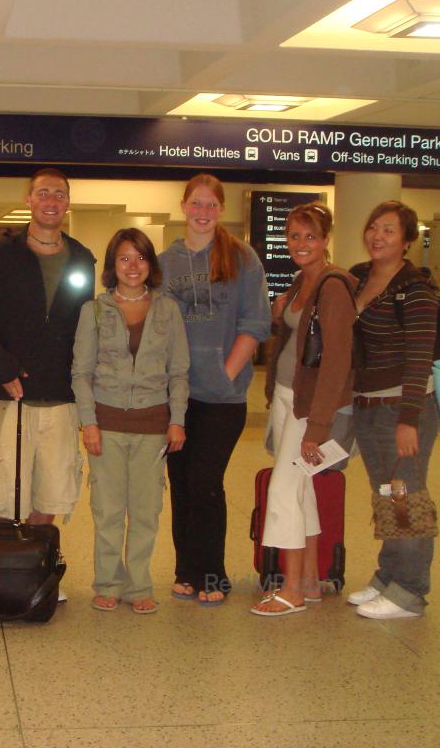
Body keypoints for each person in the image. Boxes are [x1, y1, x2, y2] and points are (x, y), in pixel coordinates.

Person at [0, 168, 96, 600]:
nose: (52, 201)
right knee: (7, 491)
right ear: (28, 199)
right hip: (11, 393)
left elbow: (87, 328)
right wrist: (1, 369)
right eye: (44, 193)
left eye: (60, 194)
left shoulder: (82, 259)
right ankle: (5, 572)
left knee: (53, 489)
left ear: (67, 203)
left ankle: (37, 569)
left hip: (60, 393)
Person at [159, 173, 271, 606]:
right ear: (183, 205)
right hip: (176, 398)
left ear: (220, 210)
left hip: (222, 398)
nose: (203, 212)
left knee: (206, 482)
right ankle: (185, 571)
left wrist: (226, 372)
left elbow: (255, 322)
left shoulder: (242, 258)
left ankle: (213, 573)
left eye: (211, 205)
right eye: (196, 204)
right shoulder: (167, 261)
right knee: (182, 483)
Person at [72, 228, 189, 615]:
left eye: (140, 258)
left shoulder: (167, 310)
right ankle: (107, 583)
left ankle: (139, 585)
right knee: (107, 511)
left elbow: (179, 372)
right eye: (124, 258)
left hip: (152, 426)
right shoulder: (94, 311)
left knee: (145, 511)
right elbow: (81, 373)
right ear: (112, 266)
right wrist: (88, 422)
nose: (132, 266)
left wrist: (177, 420)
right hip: (105, 424)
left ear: (150, 264)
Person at [253, 202, 356, 616]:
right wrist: (282, 314)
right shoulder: (301, 282)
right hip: (285, 397)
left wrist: (317, 427)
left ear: (326, 240)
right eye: (293, 236)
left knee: (282, 489)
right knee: (301, 489)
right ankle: (311, 581)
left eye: (310, 236)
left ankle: (291, 589)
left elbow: (336, 363)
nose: (300, 244)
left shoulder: (333, 287)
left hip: (308, 408)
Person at [347, 201, 439, 619]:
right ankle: (388, 577)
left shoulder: (415, 288)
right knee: (387, 495)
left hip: (402, 408)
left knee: (405, 496)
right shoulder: (359, 277)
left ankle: (410, 592)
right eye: (373, 227)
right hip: (368, 407)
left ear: (406, 241)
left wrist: (408, 419)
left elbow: (420, 356)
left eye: (388, 230)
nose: (377, 236)